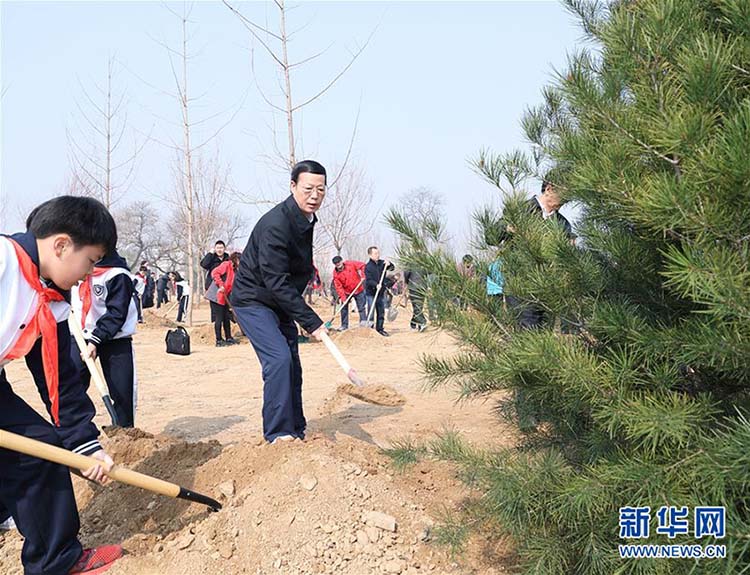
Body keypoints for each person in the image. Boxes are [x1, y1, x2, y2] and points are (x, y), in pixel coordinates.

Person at [0, 196, 123, 574]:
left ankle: (55, 561)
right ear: (61, 245)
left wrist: (85, 446)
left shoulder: (52, 298)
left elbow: (60, 380)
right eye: (90, 261)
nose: (89, 275)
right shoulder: (3, 261)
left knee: (40, 449)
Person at [230, 160, 328, 444]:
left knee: (293, 364)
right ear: (293, 186)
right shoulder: (276, 224)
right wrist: (311, 322)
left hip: (278, 301)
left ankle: (295, 427)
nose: (314, 196)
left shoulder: (305, 220)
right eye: (308, 188)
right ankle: (278, 433)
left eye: (320, 190)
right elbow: (276, 280)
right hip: (253, 300)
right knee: (279, 359)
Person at [71, 249, 138, 428]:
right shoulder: (72, 267)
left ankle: (123, 433)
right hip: (80, 337)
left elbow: (117, 313)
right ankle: (76, 430)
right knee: (72, 384)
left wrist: (96, 340)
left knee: (122, 390)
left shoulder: (117, 275)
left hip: (115, 338)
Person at [209, 251, 241, 347]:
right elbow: (214, 273)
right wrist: (221, 285)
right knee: (219, 317)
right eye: (239, 260)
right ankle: (218, 340)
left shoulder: (236, 270)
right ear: (235, 259)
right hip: (217, 294)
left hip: (225, 296)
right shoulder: (226, 265)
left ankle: (229, 337)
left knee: (226, 317)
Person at [364, 246, 394, 337]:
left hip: (380, 293)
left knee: (381, 312)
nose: (378, 255)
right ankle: (370, 330)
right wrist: (376, 285)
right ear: (370, 255)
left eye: (378, 253)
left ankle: (380, 329)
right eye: (375, 253)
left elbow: (392, 268)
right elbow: (368, 280)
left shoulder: (382, 263)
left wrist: (389, 264)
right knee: (371, 312)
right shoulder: (368, 267)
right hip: (371, 293)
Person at [331, 255, 367, 330]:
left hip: (358, 289)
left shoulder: (350, 264)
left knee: (361, 307)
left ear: (342, 261)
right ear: (335, 265)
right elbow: (338, 287)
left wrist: (363, 275)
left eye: (339, 262)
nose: (338, 264)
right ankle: (344, 325)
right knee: (344, 307)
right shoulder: (336, 274)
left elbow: (363, 265)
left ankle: (363, 323)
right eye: (336, 264)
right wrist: (343, 298)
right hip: (347, 292)